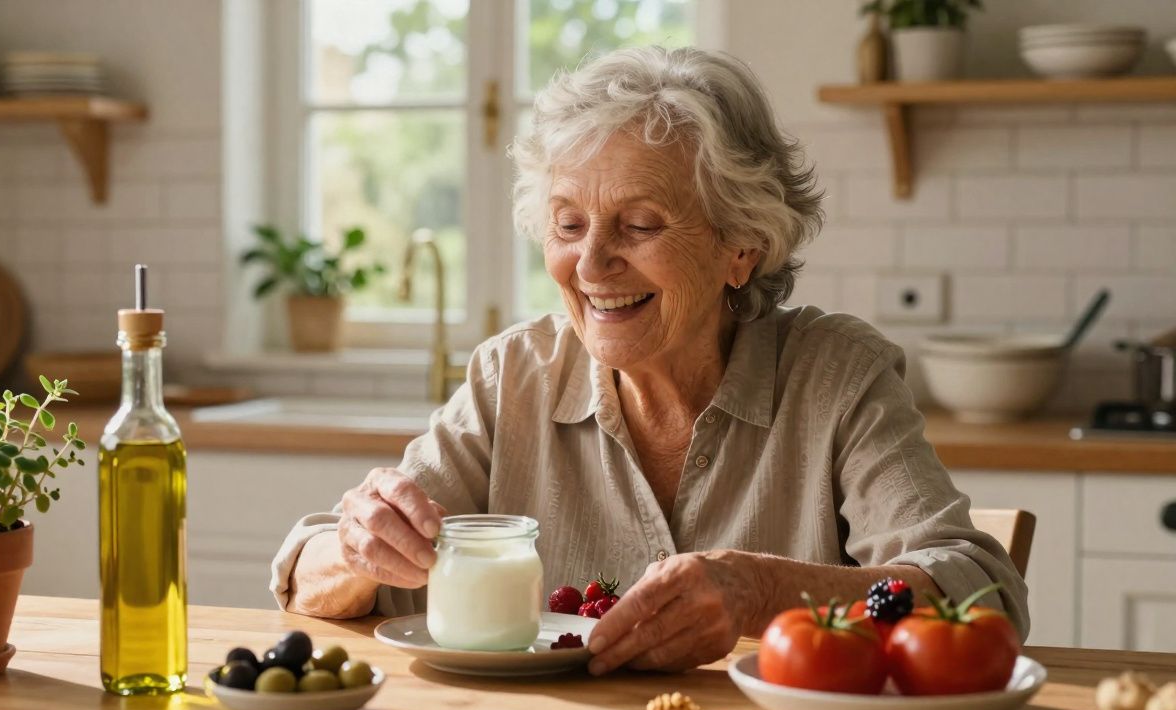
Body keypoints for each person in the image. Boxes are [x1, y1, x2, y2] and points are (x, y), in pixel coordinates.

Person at [270, 46, 1029, 675]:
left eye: (638, 225)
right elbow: (308, 575)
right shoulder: (513, 377)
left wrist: (760, 590)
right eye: (569, 224)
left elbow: (984, 595)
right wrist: (360, 546)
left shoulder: (836, 376)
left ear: (742, 246)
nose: (591, 263)